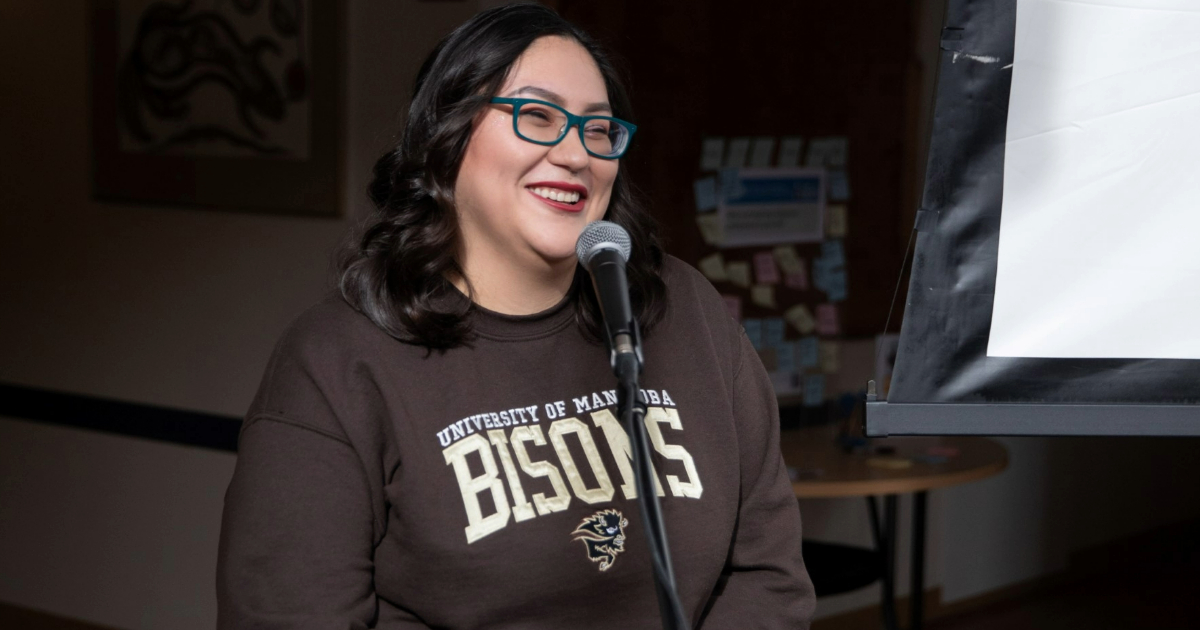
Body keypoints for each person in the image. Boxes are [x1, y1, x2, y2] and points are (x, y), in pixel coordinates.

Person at [216, 4, 814, 628]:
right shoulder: (335, 362)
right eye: (537, 116)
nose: (576, 154)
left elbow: (766, 576)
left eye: (599, 129)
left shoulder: (684, 309)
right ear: (445, 137)